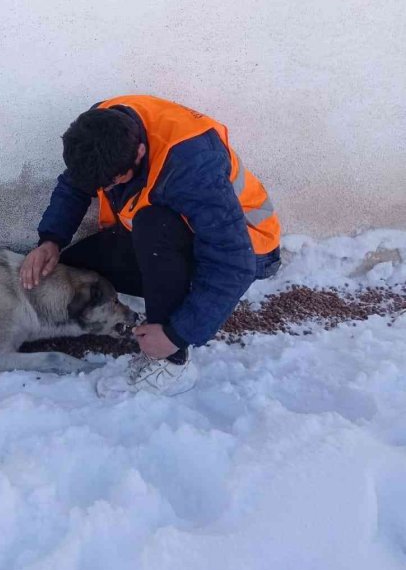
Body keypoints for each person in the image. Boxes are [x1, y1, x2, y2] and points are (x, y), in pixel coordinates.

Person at [20, 94, 281, 397]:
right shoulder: (99, 127)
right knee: (77, 265)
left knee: (153, 223)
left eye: (112, 183)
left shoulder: (193, 165)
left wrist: (176, 334)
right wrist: (51, 240)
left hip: (249, 247)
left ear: (140, 152)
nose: (104, 191)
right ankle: (167, 297)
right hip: (173, 238)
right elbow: (74, 185)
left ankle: (171, 363)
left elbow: (233, 261)